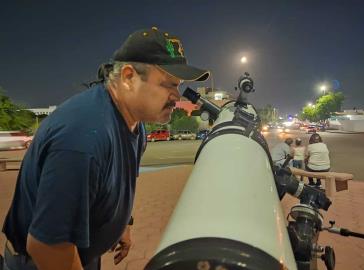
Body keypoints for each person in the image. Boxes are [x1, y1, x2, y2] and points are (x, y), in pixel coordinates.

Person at [1, 27, 209, 270]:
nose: (177, 95)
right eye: (168, 84)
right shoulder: (83, 138)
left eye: (179, 84)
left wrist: (123, 224)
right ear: (129, 77)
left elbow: (123, 180)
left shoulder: (135, 124)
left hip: (79, 253)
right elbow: (47, 246)